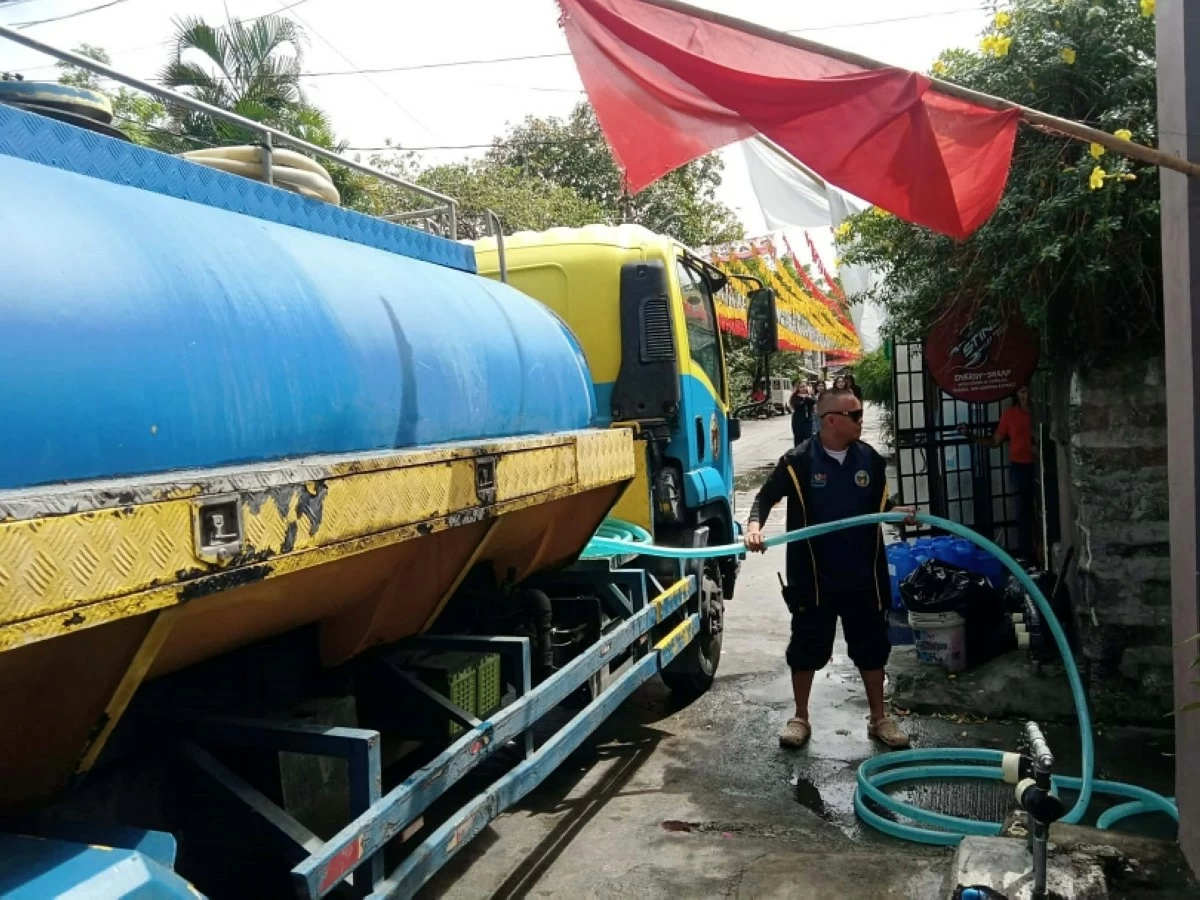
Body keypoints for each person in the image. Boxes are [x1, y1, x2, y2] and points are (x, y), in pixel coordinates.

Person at [745, 389, 917, 750]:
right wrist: (754, 527)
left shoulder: (869, 460)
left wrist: (896, 511)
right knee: (807, 646)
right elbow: (764, 498)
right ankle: (800, 717)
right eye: (855, 415)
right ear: (831, 420)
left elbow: (881, 503)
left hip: (862, 575)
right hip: (814, 577)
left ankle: (879, 717)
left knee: (871, 647)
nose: (861, 421)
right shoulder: (798, 462)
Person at [959, 385, 1036, 562]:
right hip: (1019, 468)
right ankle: (1028, 557)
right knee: (1023, 514)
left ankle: (1040, 550)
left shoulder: (1040, 414)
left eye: (1028, 392)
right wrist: (971, 435)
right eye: (1023, 391)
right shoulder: (1010, 415)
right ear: (1017, 394)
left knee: (1044, 509)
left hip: (1038, 465)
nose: (1026, 396)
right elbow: (995, 441)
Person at [789, 381, 816, 446]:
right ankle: (798, 455)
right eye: (801, 387)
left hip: (808, 420)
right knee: (798, 440)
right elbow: (798, 405)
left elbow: (813, 401)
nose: (803, 388)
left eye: (804, 386)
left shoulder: (810, 395)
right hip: (798, 421)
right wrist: (805, 400)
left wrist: (808, 396)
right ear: (798, 388)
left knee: (809, 440)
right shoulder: (795, 396)